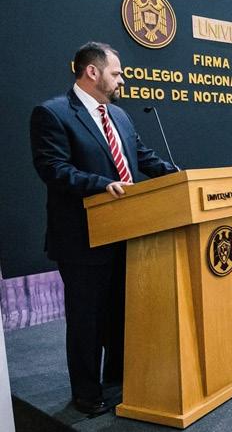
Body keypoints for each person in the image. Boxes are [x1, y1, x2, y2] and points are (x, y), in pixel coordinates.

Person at [29, 42, 179, 415]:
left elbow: (141, 157)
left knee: (121, 315)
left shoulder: (120, 116)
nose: (122, 80)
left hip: (127, 232)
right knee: (87, 320)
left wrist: (180, 177)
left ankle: (118, 381)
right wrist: (102, 184)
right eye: (117, 73)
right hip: (83, 238)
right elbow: (53, 169)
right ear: (92, 72)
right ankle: (86, 393)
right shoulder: (52, 113)